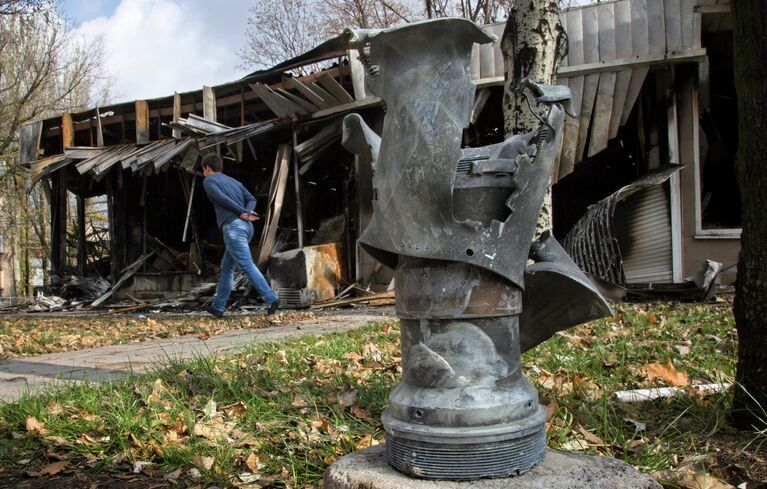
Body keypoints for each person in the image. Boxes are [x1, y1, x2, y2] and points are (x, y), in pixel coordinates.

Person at [200, 153, 280, 317]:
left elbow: (221, 198)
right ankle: (218, 307)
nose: (203, 173)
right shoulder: (234, 182)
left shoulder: (209, 181)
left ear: (207, 167)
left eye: (203, 170)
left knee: (246, 265)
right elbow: (251, 198)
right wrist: (247, 210)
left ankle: (271, 298)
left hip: (233, 227)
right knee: (227, 268)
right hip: (246, 227)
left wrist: (242, 211)